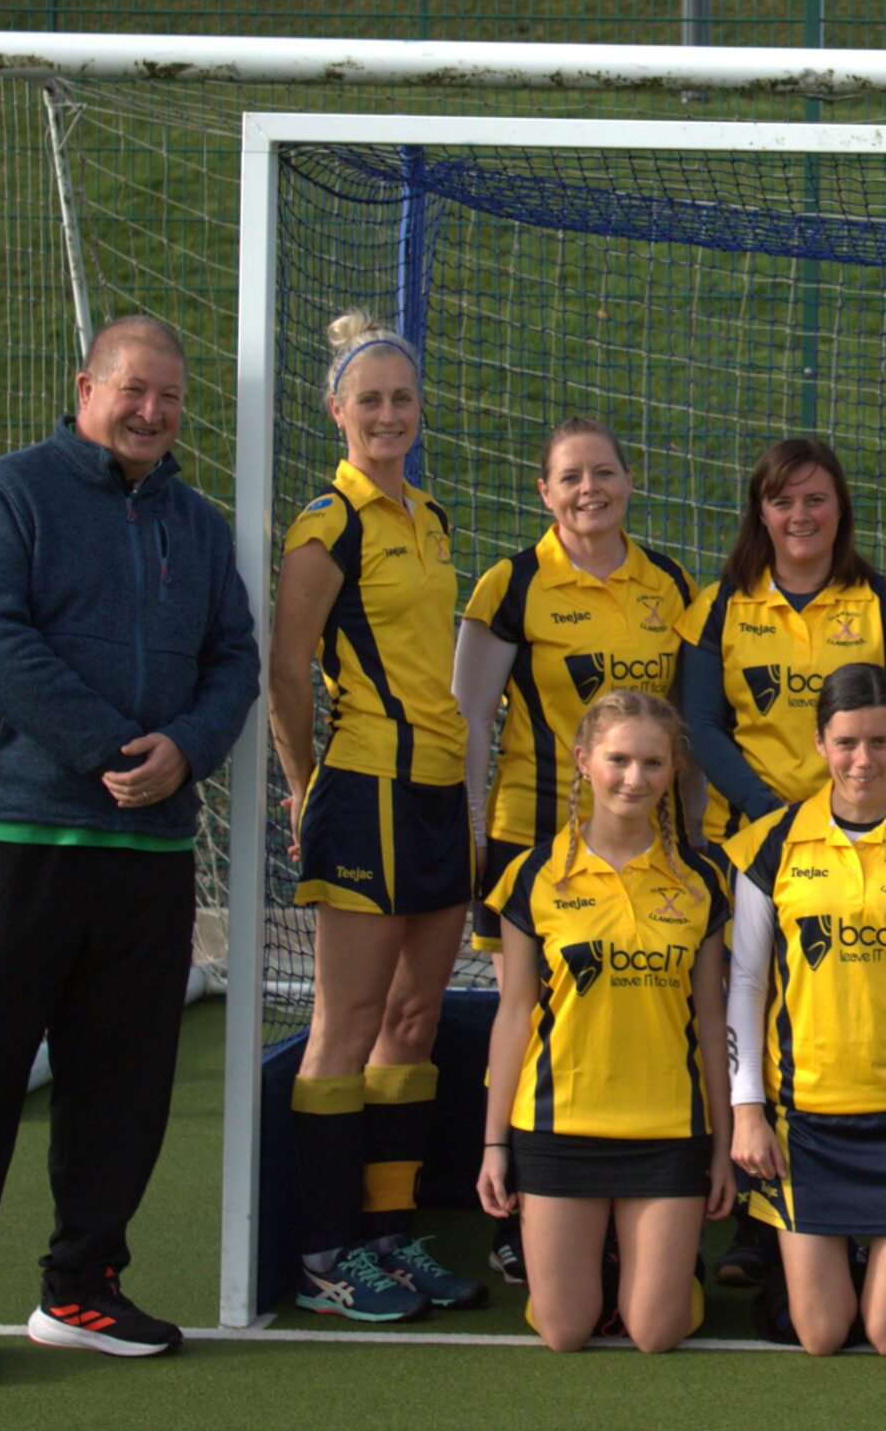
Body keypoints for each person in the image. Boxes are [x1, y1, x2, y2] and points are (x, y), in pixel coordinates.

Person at [0, 314, 259, 1383]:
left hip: (145, 849)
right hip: (8, 835)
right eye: (133, 390)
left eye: (170, 397)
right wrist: (115, 747)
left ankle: (80, 1287)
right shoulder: (9, 494)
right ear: (86, 387)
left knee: (123, 1083)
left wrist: (184, 751)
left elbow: (233, 659)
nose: (151, 412)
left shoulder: (196, 525)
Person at [267, 311, 486, 1323]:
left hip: (439, 793)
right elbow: (287, 666)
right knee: (345, 1024)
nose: (389, 414)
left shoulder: (430, 518)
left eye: (402, 399)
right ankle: (324, 1251)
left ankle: (388, 1235)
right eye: (371, 401)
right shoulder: (327, 522)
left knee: (411, 1019)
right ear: (338, 412)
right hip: (364, 789)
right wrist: (308, 784)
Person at [674, 436, 886, 1283]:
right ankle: (756, 1208)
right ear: (761, 511)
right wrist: (776, 819)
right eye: (783, 501)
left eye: (816, 499)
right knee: (750, 1004)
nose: (801, 515)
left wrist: (838, 816)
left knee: (840, 1009)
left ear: (840, 507)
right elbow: (702, 725)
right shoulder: (718, 606)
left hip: (863, 837)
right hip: (755, 842)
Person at [453, 415, 694, 1283]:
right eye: (570, 478)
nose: (589, 489)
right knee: (530, 1012)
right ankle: (519, 1199)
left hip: (642, 840)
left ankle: (639, 1202)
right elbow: (471, 718)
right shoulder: (511, 583)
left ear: (630, 480)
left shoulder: (666, 583)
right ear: (544, 492)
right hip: (531, 836)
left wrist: (691, 832)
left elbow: (683, 724)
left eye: (604, 473)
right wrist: (473, 835)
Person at [723, 664, 886, 1357]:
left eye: (880, 741)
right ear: (820, 741)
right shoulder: (769, 844)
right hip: (801, 1114)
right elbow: (747, 981)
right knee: (820, 1335)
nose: (863, 760)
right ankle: (821, 1268)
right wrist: (747, 1108)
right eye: (846, 742)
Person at [477, 689, 731, 1353]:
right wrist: (494, 1144)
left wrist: (722, 1145)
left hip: (668, 1129)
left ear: (674, 767)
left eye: (652, 762)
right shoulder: (533, 874)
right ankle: (615, 1264)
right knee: (564, 1331)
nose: (634, 778)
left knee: (655, 1332)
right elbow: (513, 1017)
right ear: (584, 761)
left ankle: (661, 1276)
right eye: (618, 759)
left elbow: (711, 1019)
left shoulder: (700, 879)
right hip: (559, 1126)